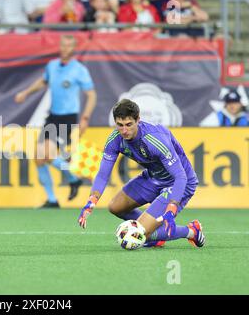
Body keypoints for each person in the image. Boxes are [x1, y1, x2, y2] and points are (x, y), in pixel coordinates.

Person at [78, 99, 205, 248]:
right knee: (115, 207)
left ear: (138, 120)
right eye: (120, 125)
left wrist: (172, 207)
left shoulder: (154, 139)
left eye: (129, 125)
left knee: (141, 234)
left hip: (179, 182)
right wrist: (91, 201)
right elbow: (102, 174)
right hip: (153, 177)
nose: (124, 130)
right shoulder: (115, 139)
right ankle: (154, 231)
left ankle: (191, 231)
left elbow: (180, 176)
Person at [15, 34, 97, 208]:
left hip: (68, 118)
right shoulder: (52, 66)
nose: (65, 48)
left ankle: (73, 178)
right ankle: (54, 198)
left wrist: (85, 118)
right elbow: (43, 82)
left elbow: (91, 95)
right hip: (52, 116)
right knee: (38, 157)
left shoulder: (79, 69)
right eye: (63, 45)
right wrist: (25, 92)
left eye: (69, 45)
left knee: (48, 155)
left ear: (74, 48)